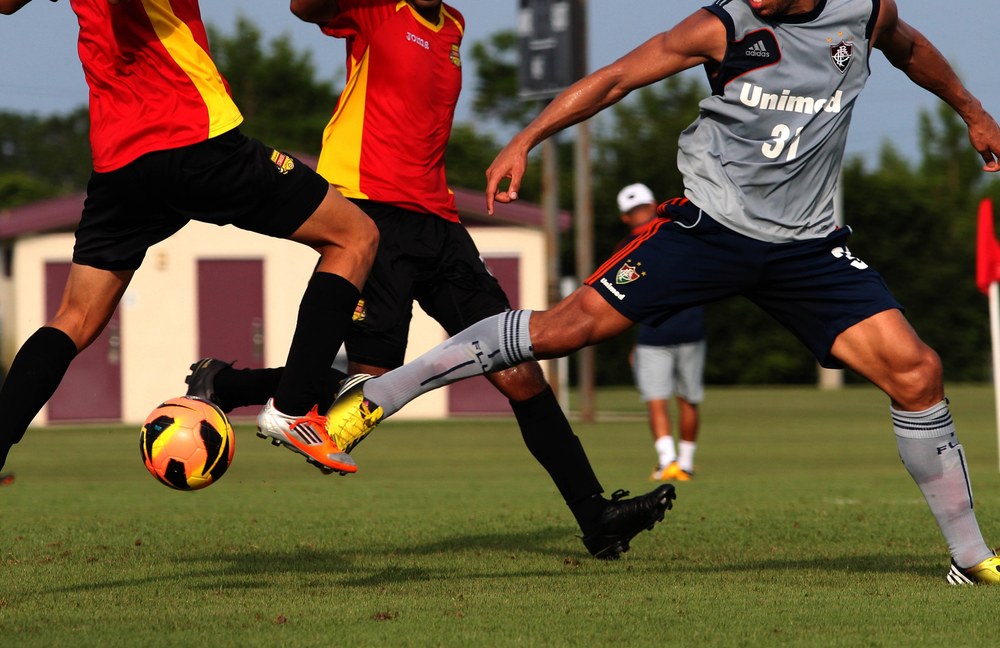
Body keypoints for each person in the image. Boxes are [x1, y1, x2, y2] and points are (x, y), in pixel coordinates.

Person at [327, 0, 1000, 584]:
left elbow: (912, 49)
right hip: (709, 231)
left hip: (807, 249)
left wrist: (971, 110)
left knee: (918, 372)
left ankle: (969, 557)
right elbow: (617, 78)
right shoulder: (724, 25)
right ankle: (378, 397)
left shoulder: (865, 12)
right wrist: (526, 138)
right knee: (562, 332)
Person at [182, 0, 675, 561]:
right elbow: (304, 7)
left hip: (439, 224)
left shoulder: (455, 25)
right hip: (370, 213)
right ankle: (231, 386)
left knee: (518, 371)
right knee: (364, 395)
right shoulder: (373, 9)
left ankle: (597, 517)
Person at [0, 0, 379, 477]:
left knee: (73, 317)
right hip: (192, 136)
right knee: (355, 236)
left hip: (121, 163)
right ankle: (292, 408)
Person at [616, 184, 706, 482]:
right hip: (661, 333)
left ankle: (680, 463)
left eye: (642, 209)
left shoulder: (636, 247)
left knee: (679, 399)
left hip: (676, 330)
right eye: (635, 212)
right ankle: (673, 462)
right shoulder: (680, 233)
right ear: (626, 218)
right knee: (672, 399)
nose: (640, 216)